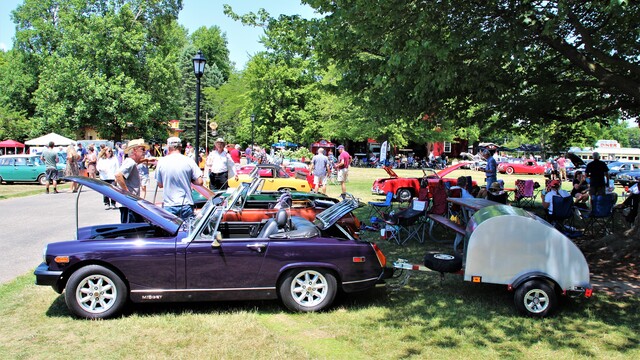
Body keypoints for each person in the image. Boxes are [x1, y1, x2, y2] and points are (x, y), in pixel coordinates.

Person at [155, 137, 204, 220]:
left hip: (169, 204)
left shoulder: (162, 162)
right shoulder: (189, 161)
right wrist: (189, 179)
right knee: (187, 231)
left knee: (171, 231)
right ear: (180, 147)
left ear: (168, 147)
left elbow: (160, 184)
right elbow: (200, 182)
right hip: (186, 203)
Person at [115, 139, 149, 223]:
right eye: (142, 149)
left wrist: (147, 160)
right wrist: (127, 192)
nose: (144, 152)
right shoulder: (130, 162)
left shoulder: (131, 161)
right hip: (128, 205)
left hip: (129, 204)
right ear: (134, 150)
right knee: (130, 231)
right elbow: (118, 175)